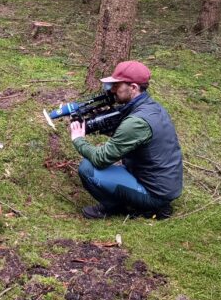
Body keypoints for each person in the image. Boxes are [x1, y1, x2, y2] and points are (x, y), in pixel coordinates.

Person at [70, 61, 183, 219]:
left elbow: (101, 159)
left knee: (87, 168)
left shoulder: (137, 122)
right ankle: (146, 203)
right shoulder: (152, 107)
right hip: (163, 184)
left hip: (155, 192)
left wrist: (78, 140)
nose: (112, 90)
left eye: (117, 85)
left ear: (134, 87)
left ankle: (118, 207)